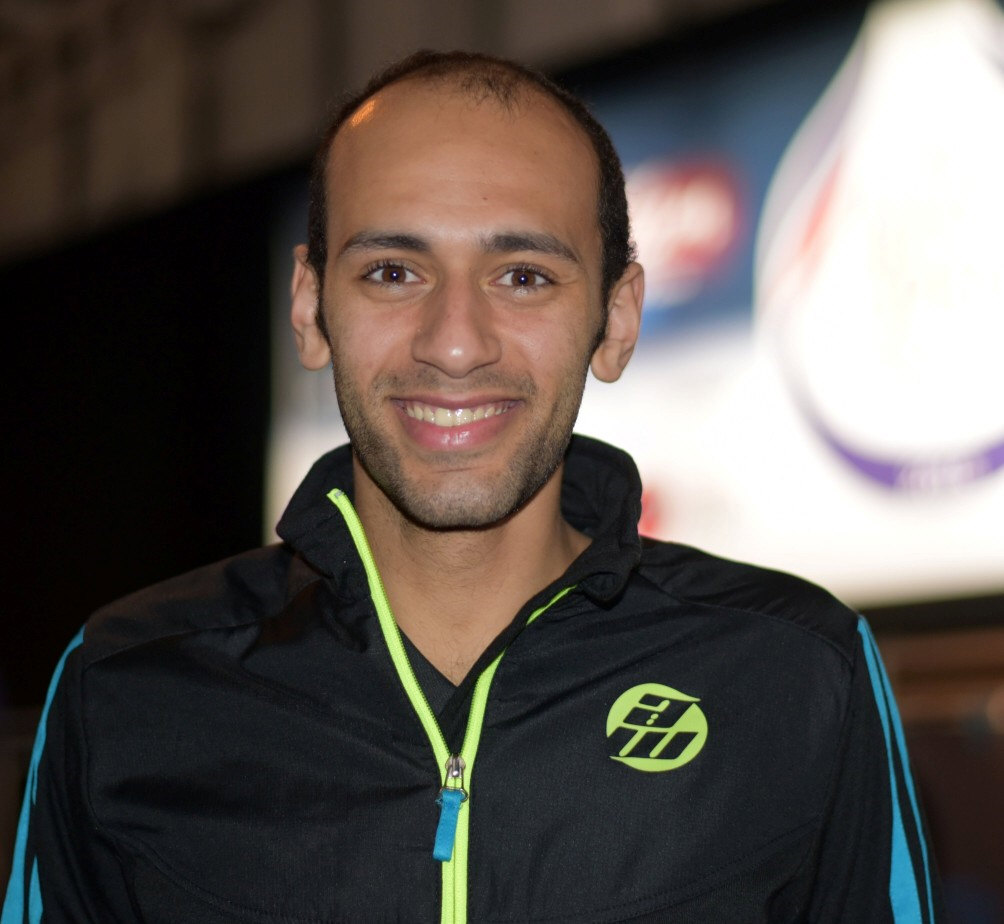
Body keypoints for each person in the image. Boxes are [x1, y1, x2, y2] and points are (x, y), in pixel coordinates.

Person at [3, 50, 941, 924]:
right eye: (393, 271)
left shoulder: (797, 673)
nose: (454, 344)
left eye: (523, 276)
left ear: (617, 318)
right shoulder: (126, 686)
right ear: (310, 306)